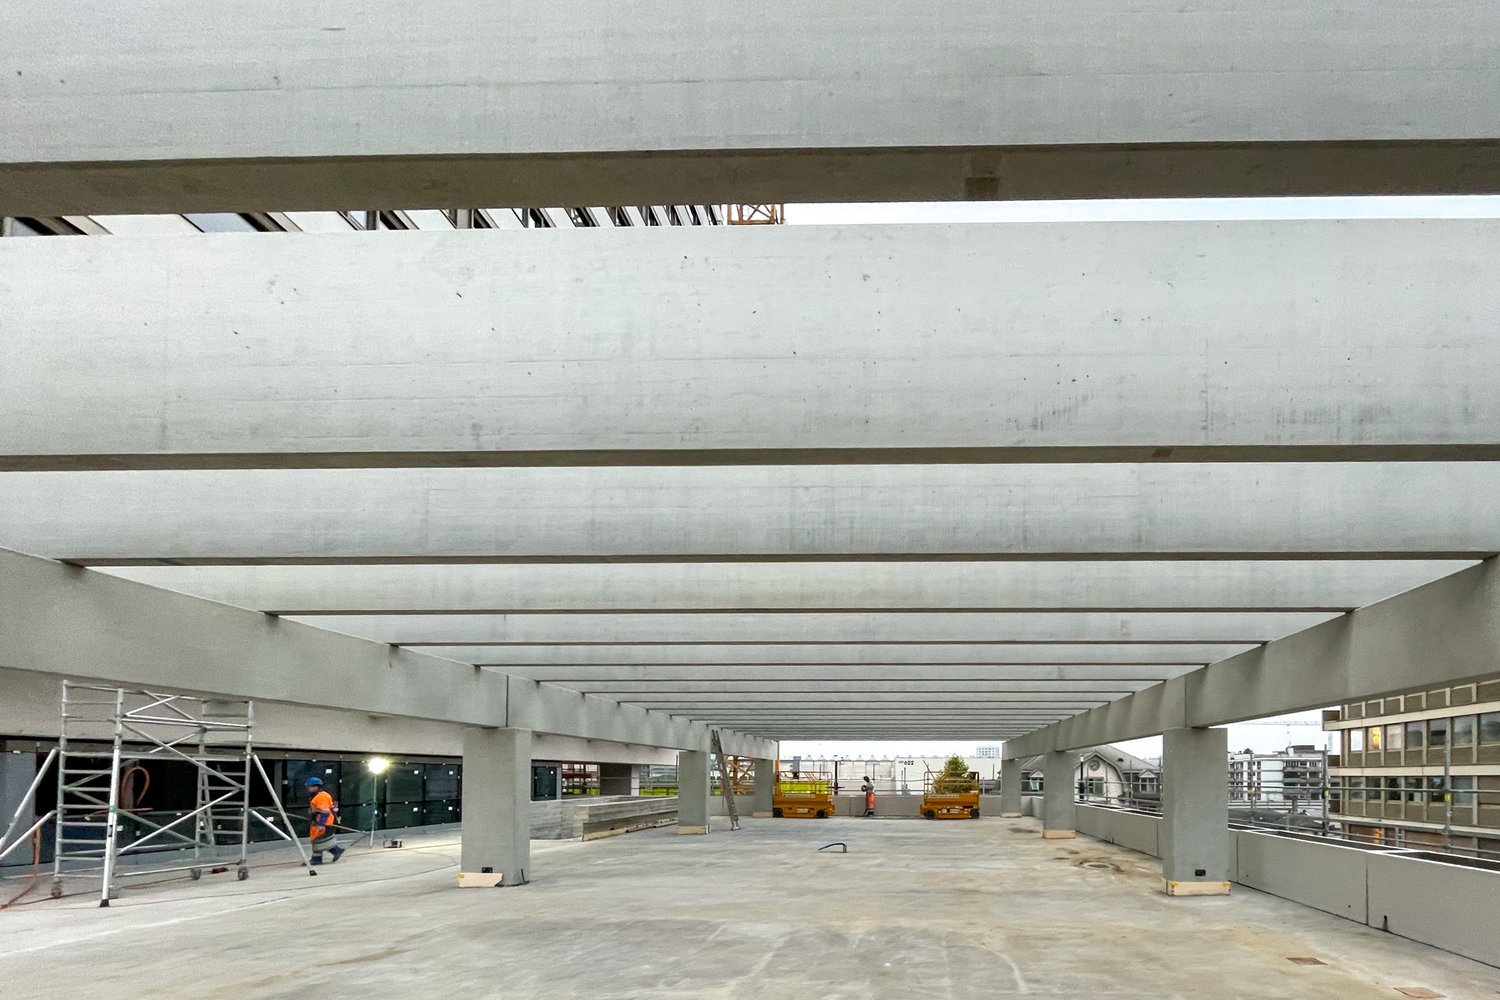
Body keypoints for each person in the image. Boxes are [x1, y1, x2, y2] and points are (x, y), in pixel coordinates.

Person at [305, 776, 345, 865]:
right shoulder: (322, 795)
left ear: (316, 786)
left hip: (323, 822)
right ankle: (317, 858)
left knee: (320, 840)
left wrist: (321, 823)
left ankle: (335, 851)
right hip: (318, 821)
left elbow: (325, 811)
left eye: (310, 787)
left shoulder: (320, 797)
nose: (308, 789)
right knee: (317, 839)